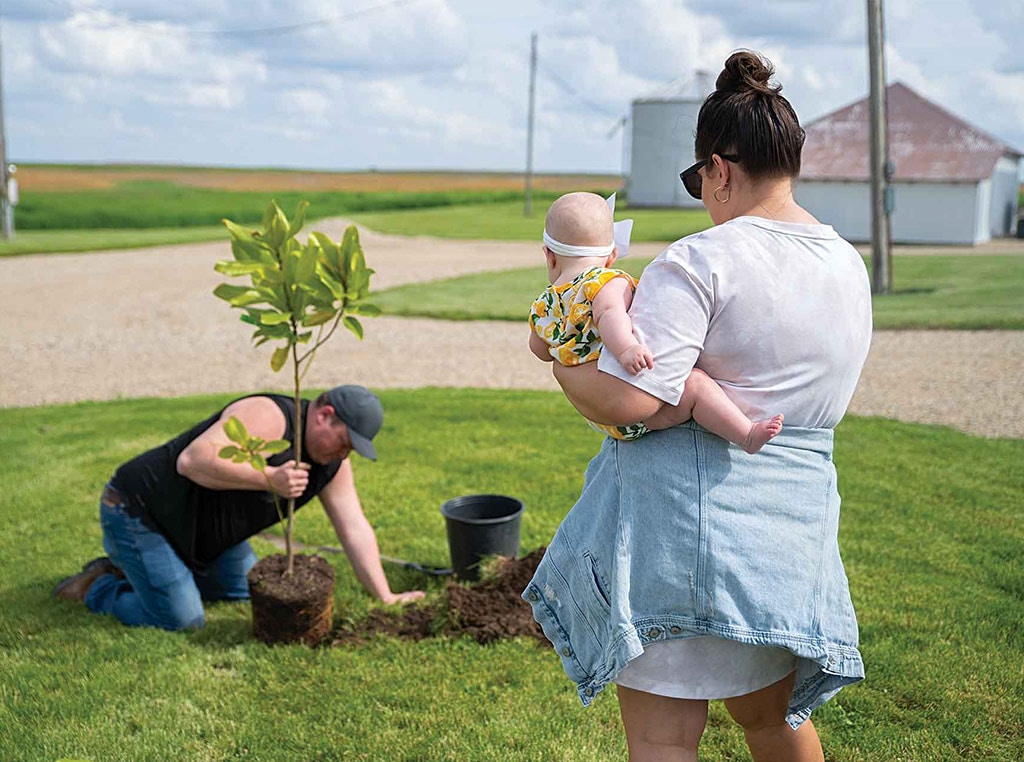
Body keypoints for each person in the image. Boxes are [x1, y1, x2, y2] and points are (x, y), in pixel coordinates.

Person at [523, 50, 872, 762]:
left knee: (662, 741)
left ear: (718, 170)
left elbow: (628, 399)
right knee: (773, 723)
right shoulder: (846, 262)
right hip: (787, 539)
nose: (700, 197)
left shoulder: (700, 258)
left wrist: (561, 362)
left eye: (697, 180)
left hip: (681, 539)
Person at [53, 385, 425, 630]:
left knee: (257, 589)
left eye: (353, 449)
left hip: (209, 536)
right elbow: (192, 460)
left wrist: (385, 596)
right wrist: (270, 478)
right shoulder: (271, 415)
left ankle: (151, 572)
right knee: (182, 619)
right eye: (345, 442)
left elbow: (354, 526)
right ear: (324, 414)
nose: (345, 454)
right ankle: (98, 586)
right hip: (140, 512)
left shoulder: (333, 464)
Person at [529, 190, 783, 452]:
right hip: (623, 391)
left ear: (549, 255)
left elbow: (539, 350)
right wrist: (627, 349)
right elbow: (609, 315)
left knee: (687, 395)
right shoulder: (605, 283)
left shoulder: (542, 303)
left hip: (598, 418)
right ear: (612, 255)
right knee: (696, 386)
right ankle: (746, 434)